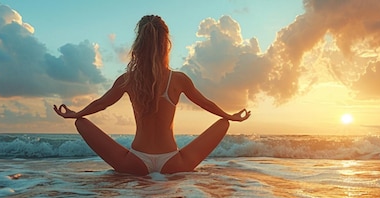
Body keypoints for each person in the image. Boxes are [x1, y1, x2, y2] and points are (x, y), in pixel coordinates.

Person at [53, 15, 250, 175]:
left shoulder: (129, 79)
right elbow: (205, 103)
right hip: (173, 163)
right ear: (166, 44)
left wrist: (75, 113)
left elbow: (101, 103)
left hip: (135, 163)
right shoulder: (178, 79)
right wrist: (229, 115)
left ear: (139, 44)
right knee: (223, 123)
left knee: (80, 122)